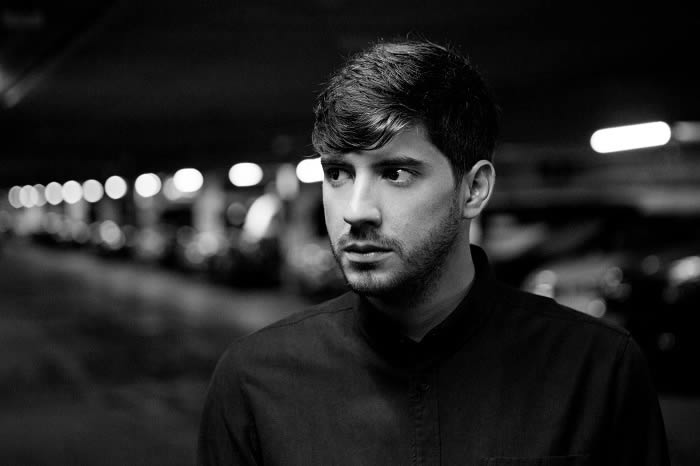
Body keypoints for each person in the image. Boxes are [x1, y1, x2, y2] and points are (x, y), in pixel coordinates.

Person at [197, 39, 669, 465]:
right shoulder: (253, 380)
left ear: (474, 189)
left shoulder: (598, 371)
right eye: (338, 173)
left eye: (396, 173)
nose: (356, 211)